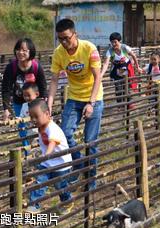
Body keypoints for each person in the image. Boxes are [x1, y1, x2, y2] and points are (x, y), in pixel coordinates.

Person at [47, 18, 103, 190]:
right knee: (65, 134)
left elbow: (98, 77)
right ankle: (78, 164)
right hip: (73, 97)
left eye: (67, 38)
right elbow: (55, 80)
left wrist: (91, 103)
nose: (64, 42)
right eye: (61, 39)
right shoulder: (58, 53)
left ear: (75, 34)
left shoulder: (89, 49)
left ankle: (91, 181)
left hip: (94, 98)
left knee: (90, 141)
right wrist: (49, 104)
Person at [26, 99, 73, 214]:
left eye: (36, 116)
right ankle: (34, 205)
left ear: (47, 114)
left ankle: (67, 201)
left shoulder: (52, 128)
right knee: (40, 182)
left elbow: (52, 142)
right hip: (47, 163)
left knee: (60, 186)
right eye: (32, 117)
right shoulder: (41, 126)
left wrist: (46, 155)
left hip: (61, 164)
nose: (33, 120)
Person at [2, 37, 47, 121]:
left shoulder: (36, 67)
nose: (20, 52)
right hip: (18, 101)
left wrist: (44, 103)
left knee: (36, 125)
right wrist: (6, 109)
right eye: (18, 49)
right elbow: (6, 89)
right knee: (22, 125)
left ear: (31, 51)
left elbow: (43, 86)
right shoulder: (11, 67)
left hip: (34, 102)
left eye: (24, 50)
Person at [100, 32, 142, 107]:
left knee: (127, 86)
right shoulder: (109, 51)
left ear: (119, 41)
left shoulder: (125, 48)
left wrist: (137, 66)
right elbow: (106, 63)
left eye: (115, 42)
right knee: (118, 88)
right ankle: (120, 105)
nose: (113, 44)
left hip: (126, 69)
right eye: (112, 42)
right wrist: (101, 75)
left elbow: (134, 56)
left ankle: (129, 103)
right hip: (117, 70)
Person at [18, 83, 40, 148]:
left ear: (36, 94)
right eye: (24, 96)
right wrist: (18, 119)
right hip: (30, 133)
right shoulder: (24, 106)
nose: (26, 98)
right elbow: (21, 117)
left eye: (28, 95)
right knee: (33, 149)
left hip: (41, 132)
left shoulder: (40, 104)